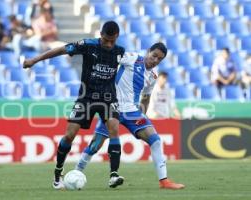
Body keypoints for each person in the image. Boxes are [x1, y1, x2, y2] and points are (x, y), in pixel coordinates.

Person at [23, 21, 125, 189]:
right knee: (70, 135)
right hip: (86, 98)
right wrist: (34, 60)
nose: (109, 44)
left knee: (114, 129)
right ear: (101, 34)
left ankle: (113, 175)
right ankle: (58, 173)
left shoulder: (120, 52)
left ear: (117, 37)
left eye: (112, 41)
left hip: (108, 98)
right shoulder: (88, 45)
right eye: (106, 40)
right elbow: (62, 49)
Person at [74, 43, 185, 189]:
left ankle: (164, 181)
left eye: (160, 59)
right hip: (112, 107)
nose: (156, 60)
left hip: (132, 111)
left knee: (155, 140)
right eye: (154, 56)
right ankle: (76, 173)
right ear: (148, 51)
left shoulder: (153, 75)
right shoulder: (132, 58)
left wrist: (142, 117)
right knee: (95, 145)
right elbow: (111, 58)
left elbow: (146, 97)